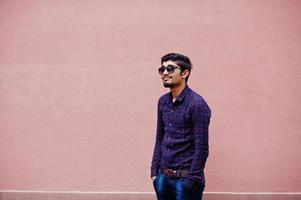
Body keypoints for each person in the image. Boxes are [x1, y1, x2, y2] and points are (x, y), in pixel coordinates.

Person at [151, 53, 211, 200]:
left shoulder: (197, 104)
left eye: (170, 68)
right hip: (163, 178)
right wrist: (154, 173)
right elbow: (160, 137)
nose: (164, 73)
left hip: (185, 181)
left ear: (185, 73)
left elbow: (202, 147)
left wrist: (191, 180)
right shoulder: (162, 102)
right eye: (162, 69)